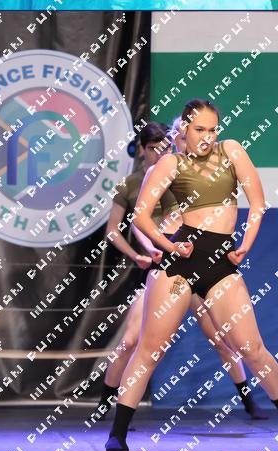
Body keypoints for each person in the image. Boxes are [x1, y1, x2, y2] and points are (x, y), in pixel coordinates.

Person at [105, 99, 278, 451]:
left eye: (213, 129)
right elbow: (141, 217)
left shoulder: (231, 151)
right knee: (149, 349)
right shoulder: (170, 163)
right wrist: (168, 245)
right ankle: (117, 433)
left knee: (250, 348)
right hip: (179, 262)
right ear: (184, 128)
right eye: (200, 129)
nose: (208, 137)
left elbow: (258, 204)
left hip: (220, 263)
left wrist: (245, 245)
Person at [94, 122, 267, 421]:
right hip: (165, 265)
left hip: (196, 262)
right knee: (132, 341)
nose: (160, 151)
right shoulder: (141, 180)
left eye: (166, 144)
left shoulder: (188, 172)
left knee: (222, 338)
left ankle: (249, 401)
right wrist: (144, 251)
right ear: (143, 150)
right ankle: (106, 406)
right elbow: (135, 223)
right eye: (153, 148)